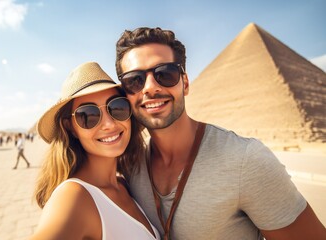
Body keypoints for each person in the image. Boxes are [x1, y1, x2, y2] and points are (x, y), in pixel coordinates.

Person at [115, 27, 326, 239]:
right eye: (134, 80)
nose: (150, 87)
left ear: (185, 82)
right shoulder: (130, 164)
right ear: (125, 93)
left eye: (165, 74)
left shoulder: (245, 160)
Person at [30, 62, 160, 239]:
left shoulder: (125, 185)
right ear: (70, 128)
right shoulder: (73, 197)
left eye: (117, 107)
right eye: (88, 115)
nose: (109, 124)